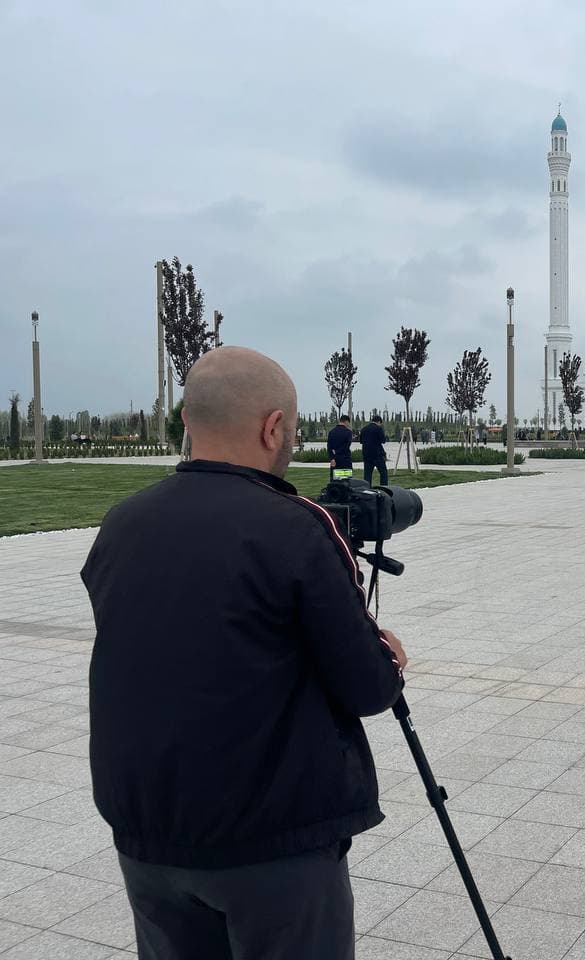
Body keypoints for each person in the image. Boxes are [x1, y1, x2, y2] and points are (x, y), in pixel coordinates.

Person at [81, 347, 407, 960]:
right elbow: (369, 689)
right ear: (273, 427)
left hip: (147, 837)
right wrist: (386, 657)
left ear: (186, 419)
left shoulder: (121, 524)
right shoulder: (295, 528)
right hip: (272, 848)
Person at [359, 415, 388, 485]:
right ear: (379, 422)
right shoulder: (378, 429)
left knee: (367, 474)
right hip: (377, 454)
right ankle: (383, 488)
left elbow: (361, 441)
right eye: (380, 423)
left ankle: (367, 489)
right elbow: (383, 440)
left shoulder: (364, 429)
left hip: (367, 455)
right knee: (383, 472)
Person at [327, 414, 354, 480]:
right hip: (345, 459)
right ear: (346, 421)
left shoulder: (331, 432)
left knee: (335, 480)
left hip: (335, 461)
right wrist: (337, 452)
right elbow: (346, 446)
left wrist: (332, 458)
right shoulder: (348, 432)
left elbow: (329, 446)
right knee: (346, 480)